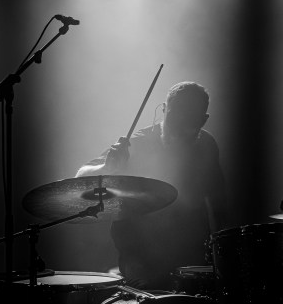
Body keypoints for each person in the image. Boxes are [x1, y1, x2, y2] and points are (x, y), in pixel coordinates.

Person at [75, 81, 228, 290]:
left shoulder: (207, 145)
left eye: (190, 119)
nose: (180, 127)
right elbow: (81, 176)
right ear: (164, 110)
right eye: (176, 115)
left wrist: (220, 251)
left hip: (192, 256)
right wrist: (107, 166)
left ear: (203, 120)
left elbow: (218, 202)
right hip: (141, 258)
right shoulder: (138, 143)